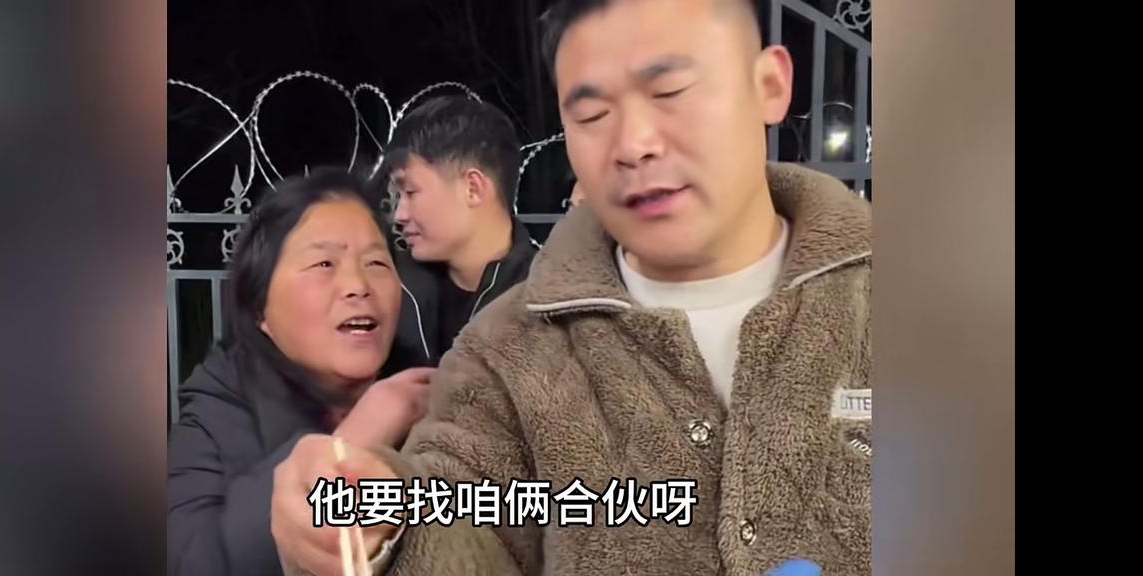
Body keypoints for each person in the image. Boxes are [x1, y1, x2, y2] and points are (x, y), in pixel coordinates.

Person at [273, 0, 873, 574]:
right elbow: (452, 517)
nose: (633, 144)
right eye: (591, 116)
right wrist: (370, 522)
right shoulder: (504, 356)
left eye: (670, 92)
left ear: (769, 85)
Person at [167, 168, 435, 576]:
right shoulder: (214, 410)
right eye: (324, 263)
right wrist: (355, 439)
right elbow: (193, 562)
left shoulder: (435, 394)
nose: (358, 285)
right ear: (260, 309)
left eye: (376, 262)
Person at [381, 96, 539, 367]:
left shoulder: (549, 299)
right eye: (398, 196)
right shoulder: (390, 288)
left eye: (410, 191)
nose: (400, 215)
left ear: (472, 188)